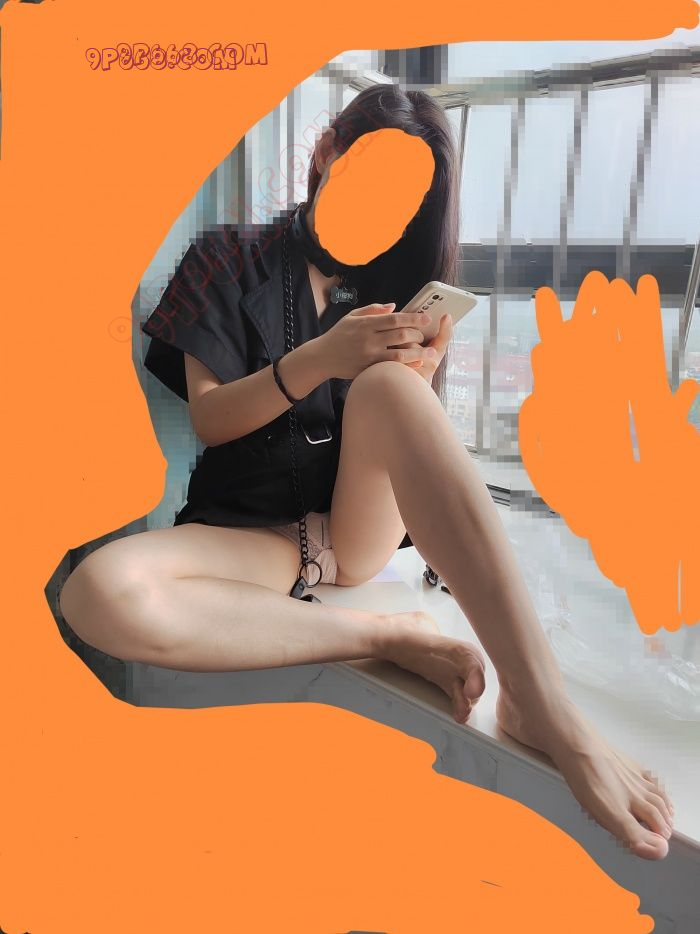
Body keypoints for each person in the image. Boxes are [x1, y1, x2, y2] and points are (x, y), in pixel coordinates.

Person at [59, 84, 674, 860]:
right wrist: (321, 357)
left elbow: (394, 445)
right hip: (250, 534)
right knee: (96, 591)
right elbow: (211, 417)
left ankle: (537, 697)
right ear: (327, 153)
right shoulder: (224, 257)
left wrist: (420, 377)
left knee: (391, 389)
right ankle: (385, 635)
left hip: (356, 532)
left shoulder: (393, 288)